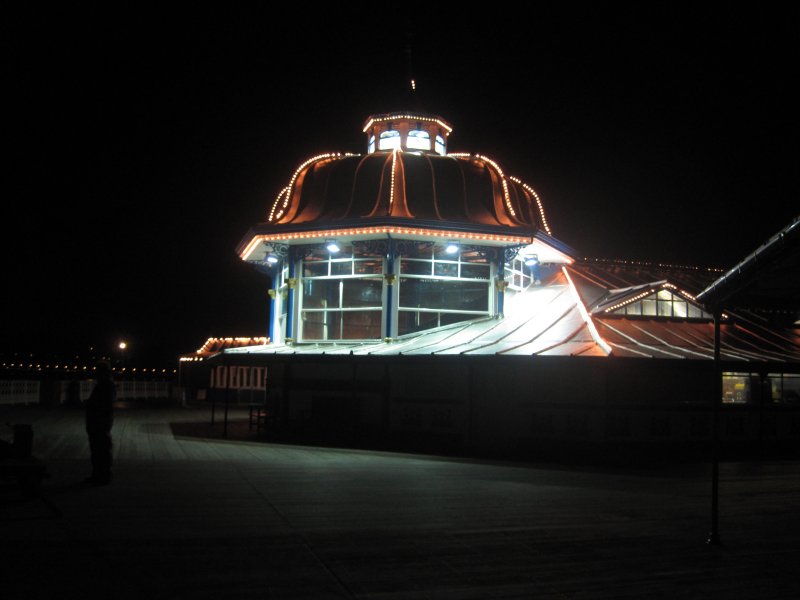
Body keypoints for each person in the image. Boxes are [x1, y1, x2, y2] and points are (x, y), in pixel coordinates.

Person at [85, 361, 116, 485]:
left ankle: (102, 476)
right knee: (99, 450)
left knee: (101, 450)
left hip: (100, 423)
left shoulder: (106, 385)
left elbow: (104, 405)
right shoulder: (106, 384)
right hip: (99, 422)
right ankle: (99, 474)